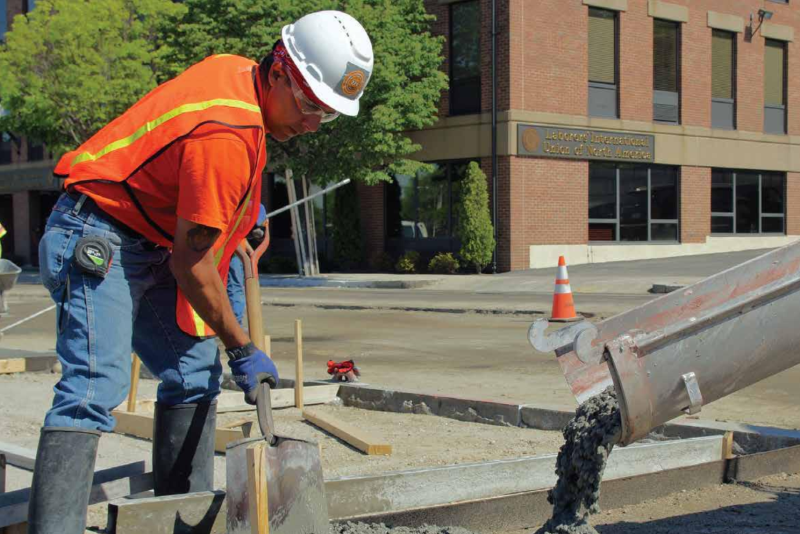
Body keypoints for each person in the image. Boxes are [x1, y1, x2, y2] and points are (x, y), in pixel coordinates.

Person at [29, 11, 373, 534]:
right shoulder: (228, 135)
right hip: (95, 232)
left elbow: (195, 184)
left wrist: (241, 214)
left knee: (192, 376)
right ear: (278, 71)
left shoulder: (240, 79)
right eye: (308, 105)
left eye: (324, 115)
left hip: (150, 235)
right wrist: (240, 346)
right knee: (94, 386)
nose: (309, 124)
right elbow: (193, 265)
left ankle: (177, 520)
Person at [227, 204, 268, 326]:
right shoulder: (243, 206)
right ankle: (235, 326)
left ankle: (235, 325)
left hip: (234, 253)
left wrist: (250, 252)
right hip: (231, 253)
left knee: (235, 288)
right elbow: (233, 237)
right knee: (235, 289)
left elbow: (240, 238)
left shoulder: (249, 206)